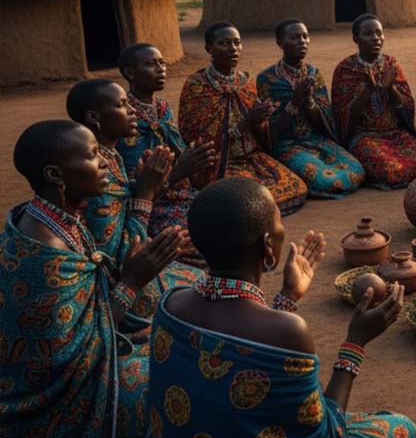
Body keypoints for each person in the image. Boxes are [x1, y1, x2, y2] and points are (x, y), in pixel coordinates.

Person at [137, 177, 416, 438]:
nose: (281, 230)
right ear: (267, 248)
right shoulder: (288, 332)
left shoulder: (171, 304)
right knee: (400, 430)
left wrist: (288, 297)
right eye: (277, 224)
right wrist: (356, 341)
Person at [1, 120, 183, 438]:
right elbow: (73, 357)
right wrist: (132, 282)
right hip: (58, 413)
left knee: (172, 336)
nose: (103, 165)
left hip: (82, 371)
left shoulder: (52, 217)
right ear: (55, 175)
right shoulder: (47, 257)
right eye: (92, 156)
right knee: (189, 375)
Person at [66, 78, 202, 321]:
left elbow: (124, 204)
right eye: (121, 105)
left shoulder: (110, 156)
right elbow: (121, 258)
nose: (133, 111)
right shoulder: (94, 174)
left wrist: (148, 183)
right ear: (94, 117)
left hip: (137, 253)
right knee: (202, 287)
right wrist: (146, 190)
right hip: (117, 287)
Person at [178, 22, 307, 214]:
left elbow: (261, 135)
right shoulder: (197, 86)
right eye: (224, 43)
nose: (233, 48)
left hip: (251, 157)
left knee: (297, 187)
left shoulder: (246, 82)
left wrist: (261, 119)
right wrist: (246, 122)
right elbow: (197, 139)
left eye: (237, 43)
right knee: (243, 197)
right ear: (209, 49)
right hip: (219, 164)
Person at [117, 43, 216, 264]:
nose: (161, 69)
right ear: (130, 73)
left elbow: (177, 150)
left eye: (162, 63)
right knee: (200, 236)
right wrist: (179, 171)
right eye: (150, 64)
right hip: (149, 204)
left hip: (179, 192)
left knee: (231, 214)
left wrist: (196, 158)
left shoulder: (162, 108)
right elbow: (134, 186)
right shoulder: (124, 117)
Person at [257, 20, 365, 199]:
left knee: (357, 170)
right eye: (294, 37)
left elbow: (325, 121)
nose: (302, 42)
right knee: (323, 179)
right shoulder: (268, 79)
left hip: (316, 140)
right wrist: (294, 103)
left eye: (305, 36)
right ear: (279, 42)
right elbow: (269, 130)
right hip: (287, 144)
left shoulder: (314, 74)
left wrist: (309, 102)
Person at [331, 15, 416, 189]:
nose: (375, 38)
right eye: (368, 34)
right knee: (389, 170)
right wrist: (368, 89)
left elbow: (407, 107)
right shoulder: (346, 69)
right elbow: (343, 116)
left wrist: (390, 88)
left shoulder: (391, 65)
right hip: (364, 136)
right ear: (356, 38)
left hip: (394, 132)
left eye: (379, 33)